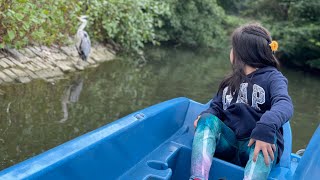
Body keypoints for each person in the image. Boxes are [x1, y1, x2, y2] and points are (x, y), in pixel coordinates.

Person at [190, 23, 294, 180]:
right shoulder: (230, 81)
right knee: (207, 119)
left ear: (241, 53)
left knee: (267, 138)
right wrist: (206, 115)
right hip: (229, 144)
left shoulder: (273, 78)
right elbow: (216, 107)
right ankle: (198, 177)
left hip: (256, 146)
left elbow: (284, 104)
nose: (230, 52)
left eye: (233, 48)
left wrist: (265, 127)